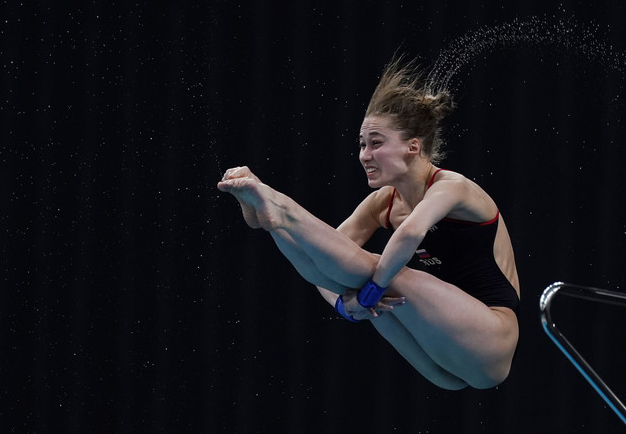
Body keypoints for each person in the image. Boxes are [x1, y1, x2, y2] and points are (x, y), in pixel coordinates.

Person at [217, 58, 520, 390]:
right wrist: (346, 307)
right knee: (355, 280)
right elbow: (326, 260)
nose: (364, 154)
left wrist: (369, 292)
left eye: (376, 143)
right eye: (362, 144)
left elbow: (411, 233)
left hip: (492, 338)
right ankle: (274, 222)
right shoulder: (383, 202)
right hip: (443, 364)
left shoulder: (452, 187)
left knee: (383, 272)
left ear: (413, 146)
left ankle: (282, 208)